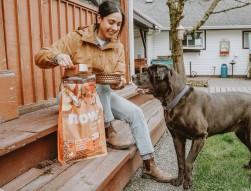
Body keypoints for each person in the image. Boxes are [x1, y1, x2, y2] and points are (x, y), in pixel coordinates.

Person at [35, 0, 172, 183]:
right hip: (72, 96)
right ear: (99, 18)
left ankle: (149, 166)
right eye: (111, 22)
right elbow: (41, 56)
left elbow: (118, 75)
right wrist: (57, 56)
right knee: (97, 84)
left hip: (101, 97)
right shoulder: (77, 38)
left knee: (135, 112)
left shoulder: (117, 47)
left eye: (118, 24)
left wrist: (119, 81)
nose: (115, 28)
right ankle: (108, 130)